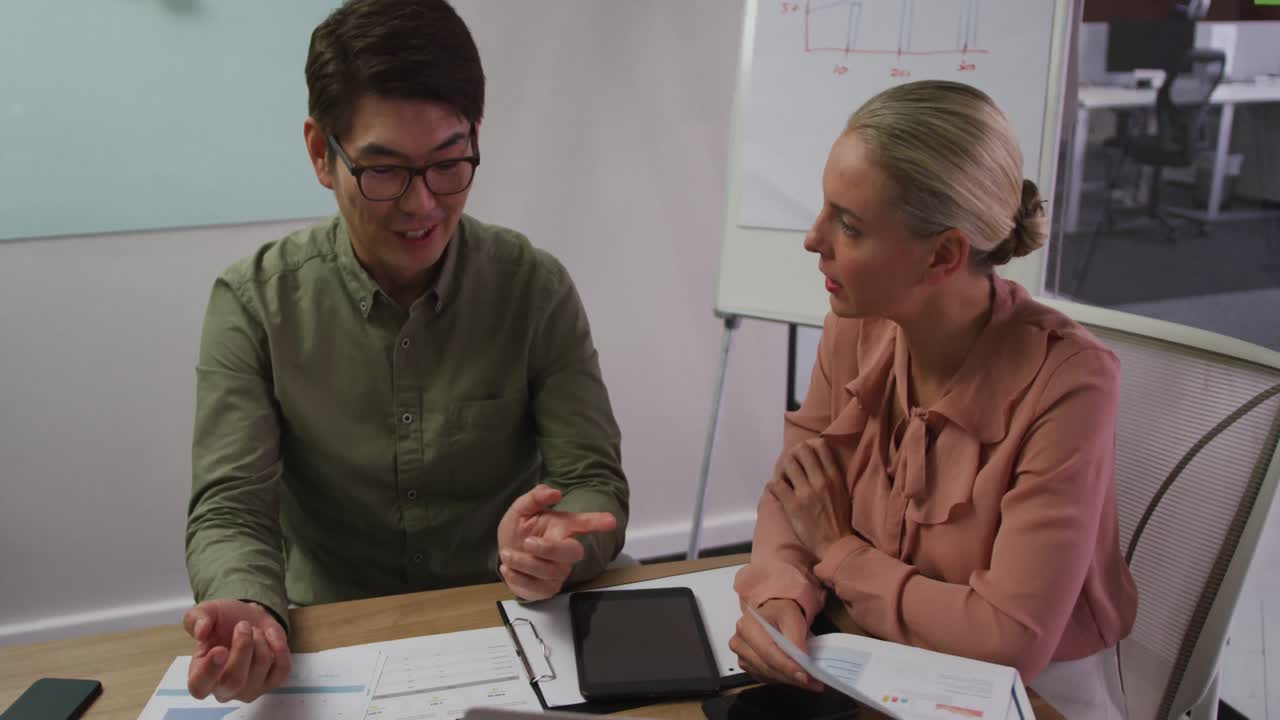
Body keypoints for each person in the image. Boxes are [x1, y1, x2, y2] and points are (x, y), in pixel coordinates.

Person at [181, 0, 629, 704]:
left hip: (510, 626)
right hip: (334, 637)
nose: (422, 204)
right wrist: (252, 612)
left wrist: (559, 551)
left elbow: (592, 481)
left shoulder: (532, 287)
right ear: (320, 154)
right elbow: (232, 510)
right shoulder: (255, 304)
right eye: (385, 170)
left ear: (475, 138)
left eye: (450, 162)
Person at [729, 80, 1138, 718]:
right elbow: (797, 492)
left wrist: (837, 553)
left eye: (850, 225)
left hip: (1029, 697)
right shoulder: (856, 323)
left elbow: (1009, 644)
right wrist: (781, 596)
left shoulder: (1071, 383)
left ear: (943, 255)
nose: (814, 239)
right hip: (871, 650)